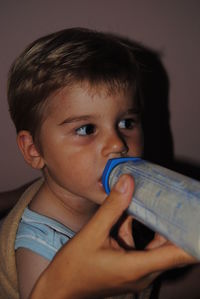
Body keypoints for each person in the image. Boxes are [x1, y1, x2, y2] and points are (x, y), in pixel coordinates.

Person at [0, 27, 197, 299]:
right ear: (35, 150)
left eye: (126, 123)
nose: (118, 144)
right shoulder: (38, 247)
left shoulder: (84, 186)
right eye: (86, 129)